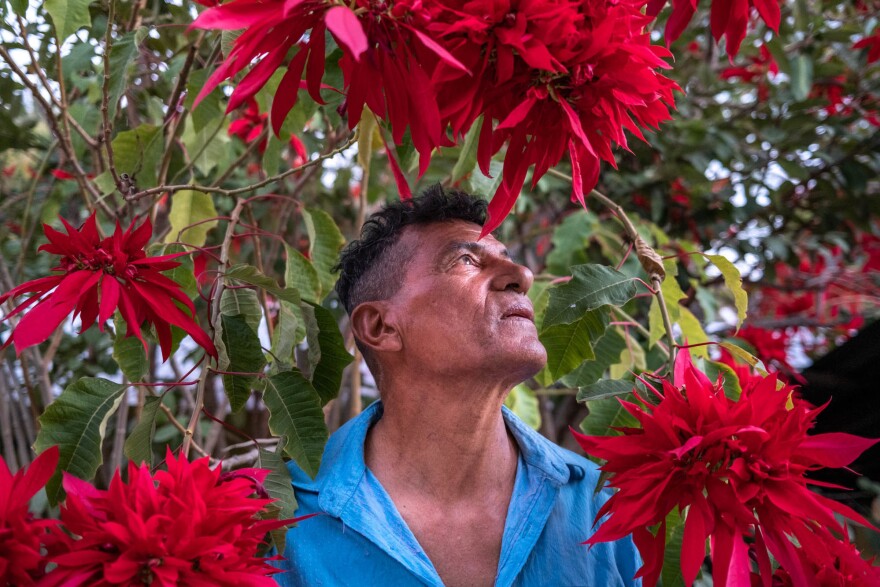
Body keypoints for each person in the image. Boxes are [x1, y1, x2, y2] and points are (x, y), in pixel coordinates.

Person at [274, 186, 641, 587]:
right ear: (380, 327)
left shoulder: (599, 504)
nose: (523, 276)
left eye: (510, 261)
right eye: (467, 259)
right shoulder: (282, 517)